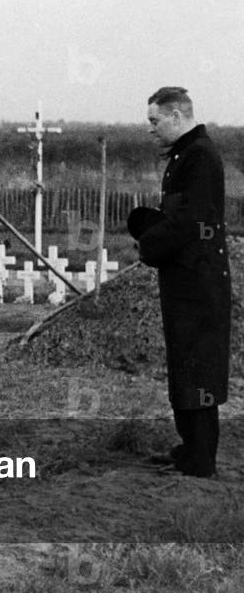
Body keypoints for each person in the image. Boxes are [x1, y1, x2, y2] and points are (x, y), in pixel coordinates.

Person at [129, 86, 231, 477]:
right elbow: (179, 216)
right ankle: (190, 448)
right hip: (187, 279)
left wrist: (148, 245)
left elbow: (190, 222)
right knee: (186, 365)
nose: (150, 130)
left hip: (199, 283)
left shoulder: (199, 157)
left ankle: (200, 461)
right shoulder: (186, 155)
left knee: (198, 368)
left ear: (176, 115)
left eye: (155, 121)